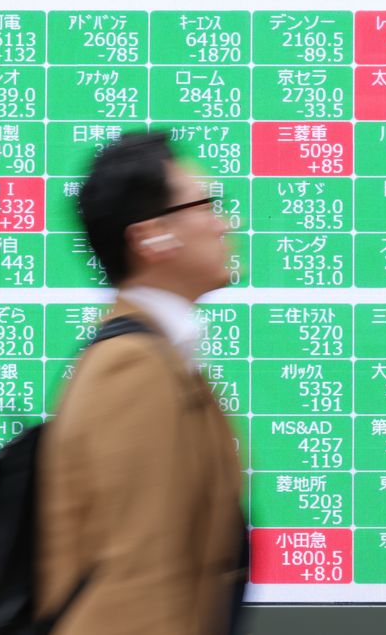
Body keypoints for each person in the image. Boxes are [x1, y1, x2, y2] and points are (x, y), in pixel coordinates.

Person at [36, 131, 248, 635]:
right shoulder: (131, 370)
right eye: (205, 205)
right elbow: (136, 586)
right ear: (150, 237)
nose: (223, 224)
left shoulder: (162, 356)